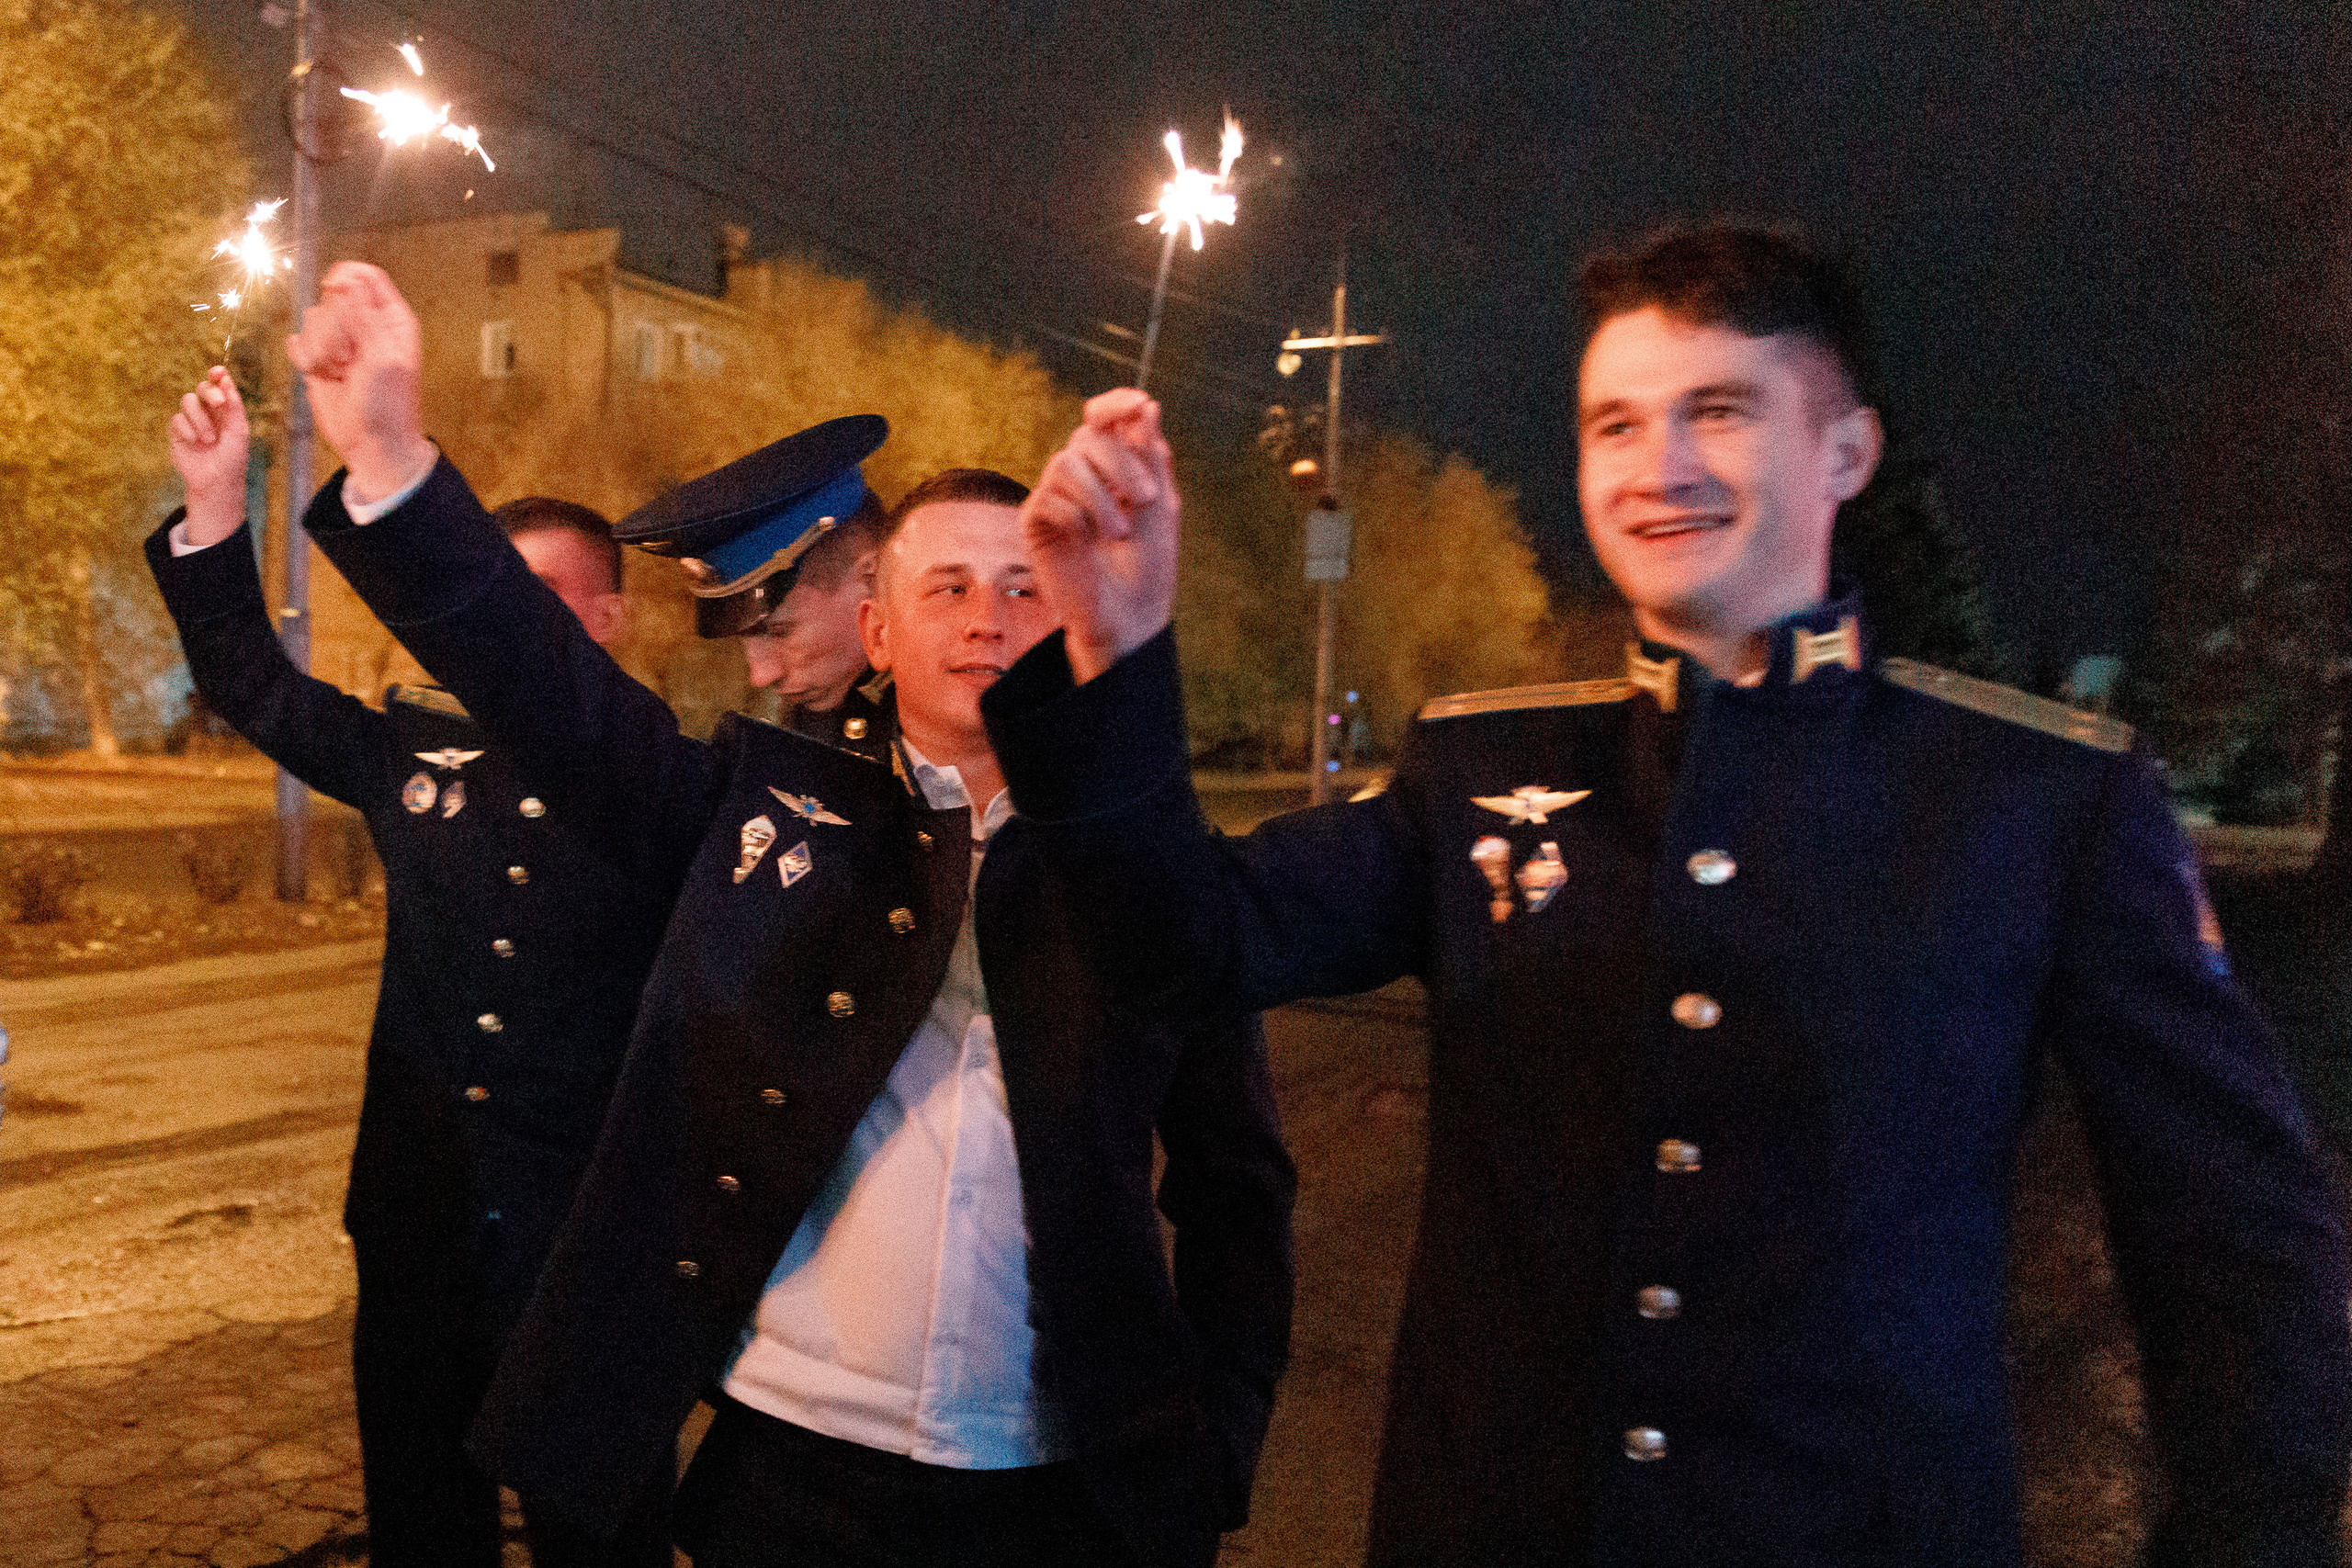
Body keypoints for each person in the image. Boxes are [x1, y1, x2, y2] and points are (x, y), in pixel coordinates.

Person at [983, 224, 2352, 1567]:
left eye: (1719, 410)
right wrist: (1118, 648)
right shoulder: (1481, 764)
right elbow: (1181, 945)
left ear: (1846, 453)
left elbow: (2231, 1240)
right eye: (1615, 424)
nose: (1661, 465)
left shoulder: (2039, 797)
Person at [280, 262, 1295, 1568]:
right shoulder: (764, 822)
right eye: (947, 588)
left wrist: (1218, 1445)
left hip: (1064, 1488)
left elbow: (1239, 1187)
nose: (989, 617)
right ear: (878, 628)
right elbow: (554, 698)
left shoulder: (1152, 873)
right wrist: (394, 462)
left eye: (1025, 585)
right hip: (796, 1482)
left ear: (1081, 613)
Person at [153, 367, 673, 1567]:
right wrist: (219, 506)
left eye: (544, 597)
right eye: (495, 592)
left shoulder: (660, 784)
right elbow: (250, 682)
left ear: (609, 621)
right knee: (424, 1530)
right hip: (418, 1235)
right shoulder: (413, 756)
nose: (510, 623)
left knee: (603, 1537)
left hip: (585, 1253)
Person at [619, 422, 894, 760]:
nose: (760, 675)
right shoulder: (811, 722)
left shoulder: (968, 712)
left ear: (873, 578)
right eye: (744, 638)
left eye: (780, 631)